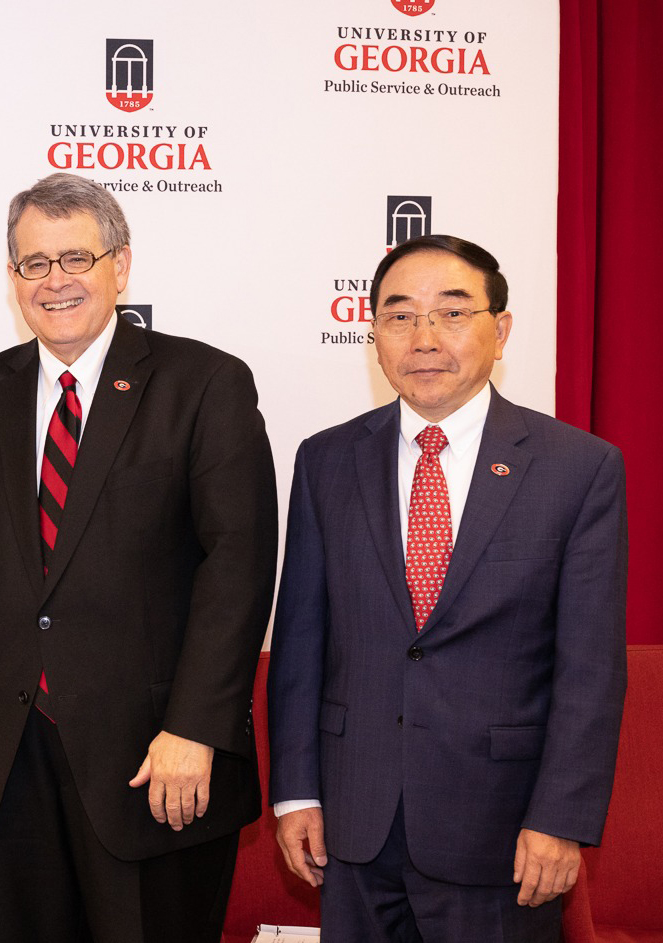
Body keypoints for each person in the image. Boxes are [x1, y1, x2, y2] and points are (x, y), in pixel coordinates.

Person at [0, 172, 278, 943]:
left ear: (121, 264)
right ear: (12, 279)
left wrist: (195, 728)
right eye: (34, 264)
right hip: (11, 757)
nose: (55, 281)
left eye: (75, 256)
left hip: (155, 760)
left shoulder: (202, 382)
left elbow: (236, 565)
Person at [268, 234, 627, 940]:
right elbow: (300, 645)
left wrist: (559, 817)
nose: (423, 337)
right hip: (353, 821)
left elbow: (588, 668)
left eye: (452, 313)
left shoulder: (577, 468)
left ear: (500, 331)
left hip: (500, 829)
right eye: (400, 316)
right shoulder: (325, 459)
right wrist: (295, 793)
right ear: (372, 334)